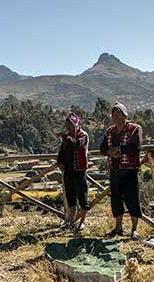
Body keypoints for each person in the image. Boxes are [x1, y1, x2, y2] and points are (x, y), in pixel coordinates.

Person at [99, 102, 143, 238]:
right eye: (113, 115)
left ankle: (134, 229)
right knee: (116, 200)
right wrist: (110, 152)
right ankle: (118, 228)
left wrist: (119, 149)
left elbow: (136, 147)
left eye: (118, 115)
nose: (116, 118)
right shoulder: (110, 131)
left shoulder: (135, 129)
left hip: (130, 171)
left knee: (132, 199)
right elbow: (102, 148)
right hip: (115, 171)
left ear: (125, 115)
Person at [57, 112, 90, 231]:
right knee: (70, 197)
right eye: (67, 126)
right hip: (68, 171)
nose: (68, 128)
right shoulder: (67, 137)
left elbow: (77, 146)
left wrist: (65, 136)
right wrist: (59, 162)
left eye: (70, 125)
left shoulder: (83, 136)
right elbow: (62, 151)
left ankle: (82, 221)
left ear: (76, 124)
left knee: (82, 197)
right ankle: (71, 221)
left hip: (79, 171)